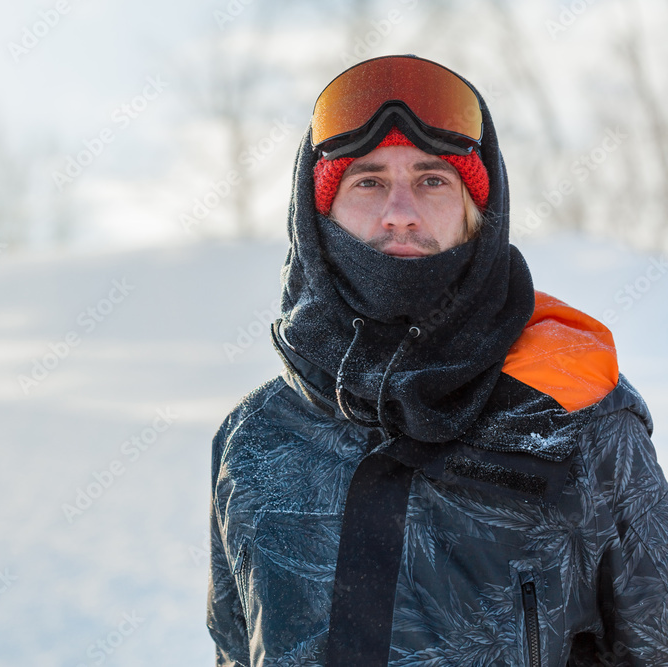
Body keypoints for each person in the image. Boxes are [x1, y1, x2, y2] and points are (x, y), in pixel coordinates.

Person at [206, 54, 668, 667]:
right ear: (318, 216)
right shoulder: (254, 437)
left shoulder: (576, 416)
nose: (401, 210)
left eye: (432, 180)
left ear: (479, 215)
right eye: (368, 180)